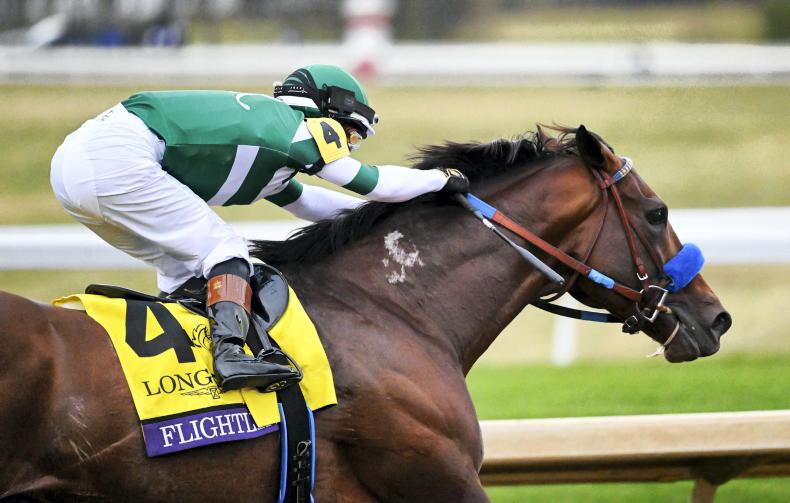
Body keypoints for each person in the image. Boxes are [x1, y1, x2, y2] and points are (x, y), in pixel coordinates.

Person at [50, 64, 469, 391]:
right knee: (227, 252)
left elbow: (310, 203)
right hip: (116, 157)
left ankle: (180, 365)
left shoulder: (270, 143)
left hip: (76, 168)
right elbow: (371, 183)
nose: (346, 145)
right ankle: (230, 354)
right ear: (330, 110)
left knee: (183, 268)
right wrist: (440, 179)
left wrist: (387, 221)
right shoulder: (299, 126)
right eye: (351, 135)